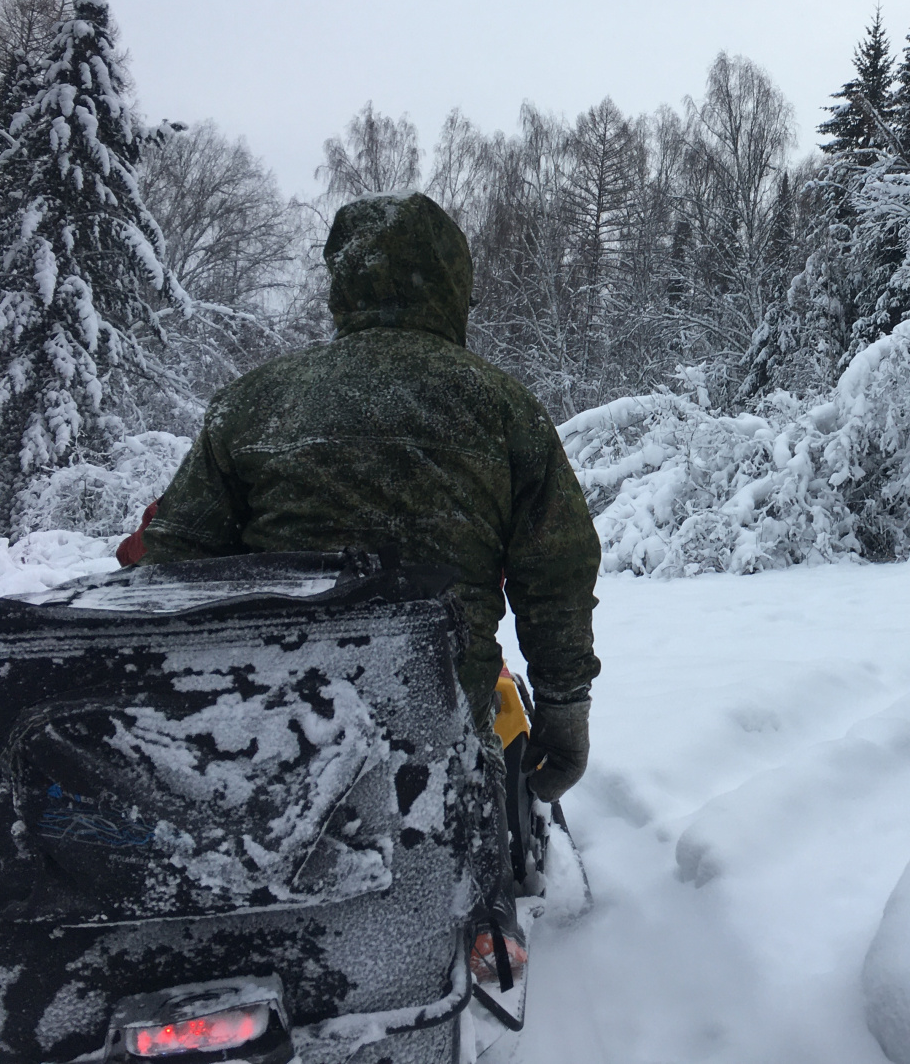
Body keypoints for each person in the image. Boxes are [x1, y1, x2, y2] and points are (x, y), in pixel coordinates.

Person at [139, 191, 601, 975]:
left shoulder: (252, 402)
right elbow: (555, 572)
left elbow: (170, 571)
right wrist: (564, 713)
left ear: (343, 285)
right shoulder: (500, 406)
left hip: (268, 732)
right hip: (442, 733)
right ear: (453, 287)